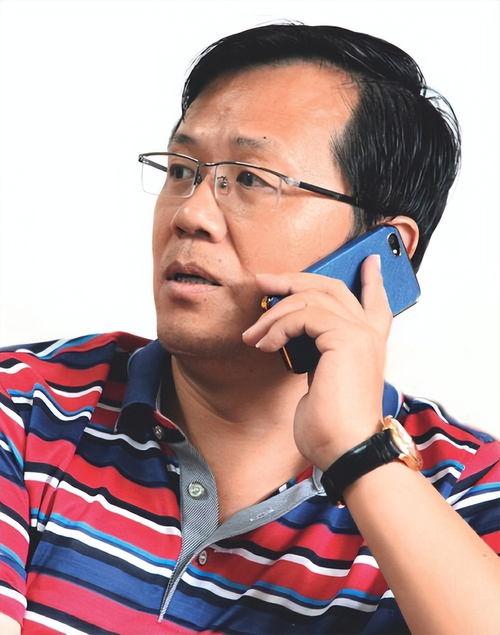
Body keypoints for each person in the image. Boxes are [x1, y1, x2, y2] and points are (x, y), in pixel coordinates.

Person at [0, 22, 499, 635]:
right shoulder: (25, 407)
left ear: (381, 249)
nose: (191, 214)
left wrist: (359, 455)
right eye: (181, 170)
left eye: (251, 179)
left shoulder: (468, 491)